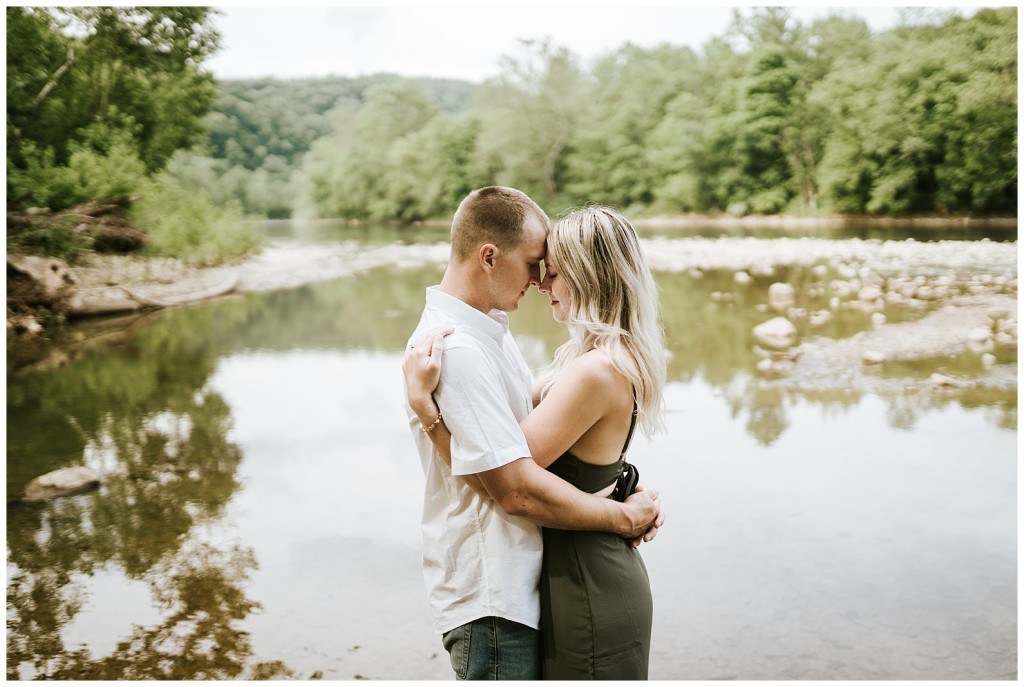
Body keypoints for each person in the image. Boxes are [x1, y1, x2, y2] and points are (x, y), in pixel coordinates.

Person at [403, 188, 664, 681]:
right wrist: (623, 512)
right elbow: (513, 487)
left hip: (566, 580)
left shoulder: (507, 341)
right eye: (535, 264)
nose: (542, 281)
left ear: (588, 278)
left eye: (552, 269)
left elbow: (519, 476)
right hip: (503, 590)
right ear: (488, 257)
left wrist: (624, 499)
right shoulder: (462, 348)